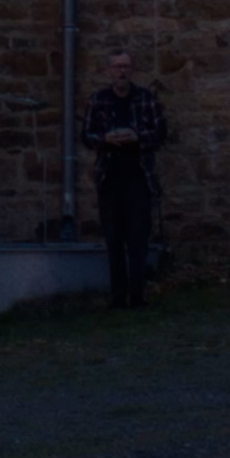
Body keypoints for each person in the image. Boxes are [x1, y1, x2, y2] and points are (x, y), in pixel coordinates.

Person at [79, 49, 168, 308]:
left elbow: (161, 131)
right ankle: (118, 297)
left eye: (126, 66)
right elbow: (86, 135)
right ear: (109, 71)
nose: (122, 71)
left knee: (138, 238)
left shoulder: (146, 98)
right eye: (117, 66)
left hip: (139, 176)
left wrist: (137, 137)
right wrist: (105, 139)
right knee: (114, 239)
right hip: (110, 177)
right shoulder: (98, 100)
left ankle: (138, 296)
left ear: (132, 69)